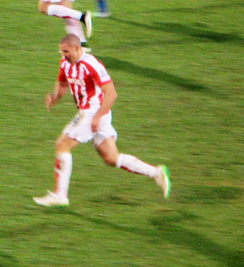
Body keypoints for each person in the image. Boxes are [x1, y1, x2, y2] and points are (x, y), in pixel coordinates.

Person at [32, 34, 171, 207]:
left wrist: (98, 117)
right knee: (111, 158)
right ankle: (157, 173)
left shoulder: (92, 65)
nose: (64, 55)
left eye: (66, 51)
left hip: (94, 112)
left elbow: (111, 93)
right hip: (88, 112)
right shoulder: (65, 63)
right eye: (62, 52)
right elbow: (62, 83)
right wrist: (55, 98)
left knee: (62, 145)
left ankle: (60, 195)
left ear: (77, 48)